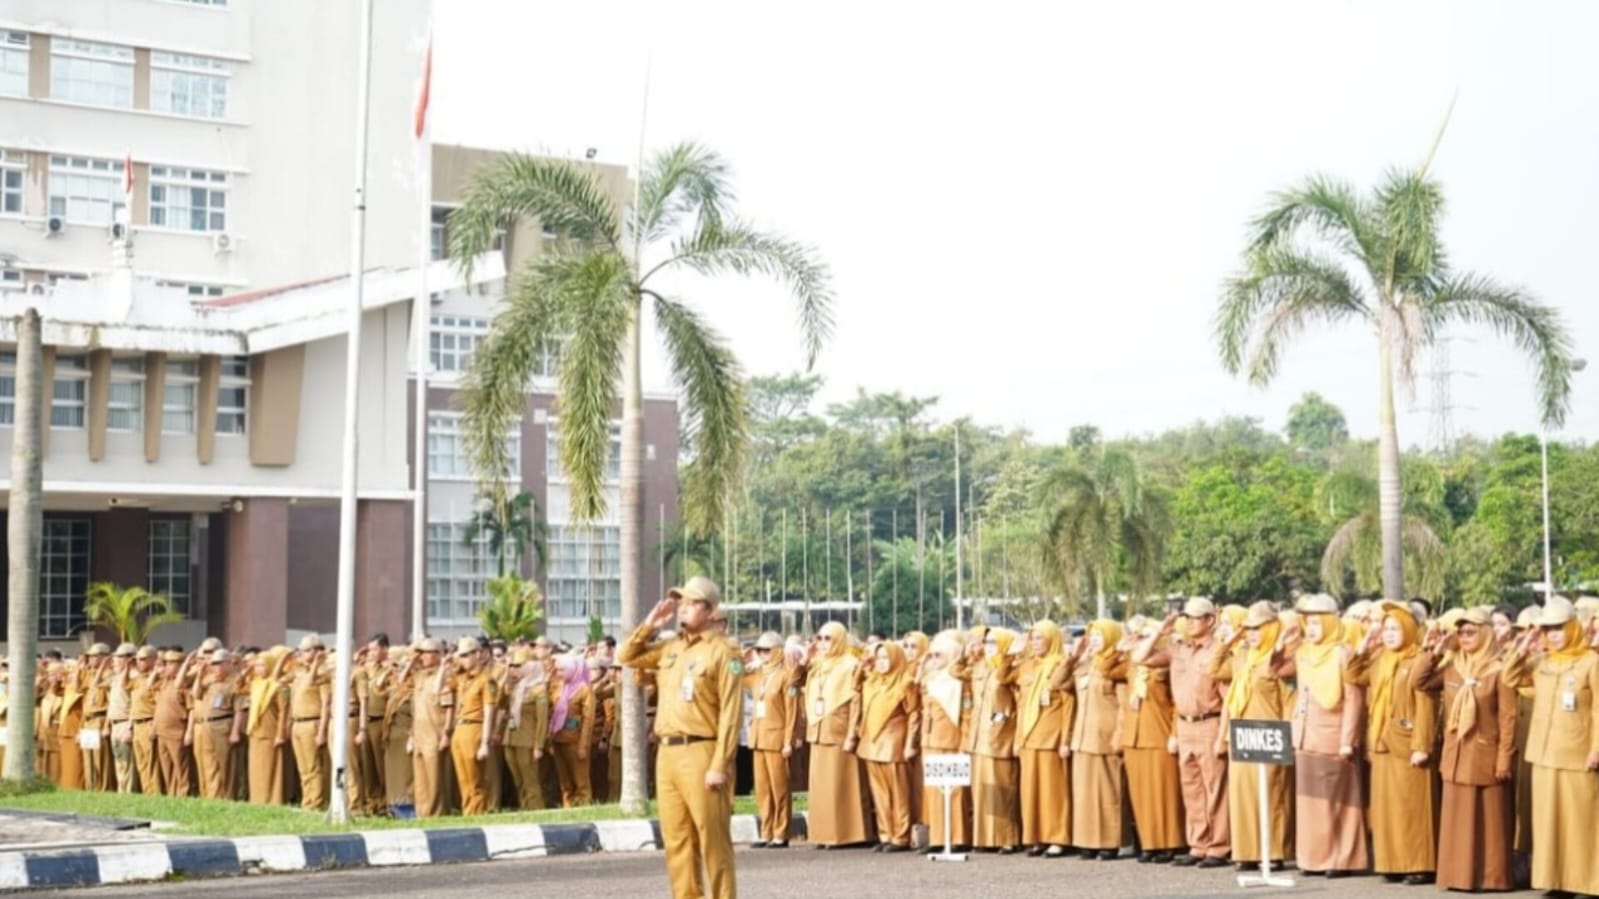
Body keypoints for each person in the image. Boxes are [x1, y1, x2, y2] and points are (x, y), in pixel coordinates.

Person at [617, 576, 743, 899]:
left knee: (712, 842)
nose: (682, 608)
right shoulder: (670, 647)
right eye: (680, 602)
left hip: (702, 750)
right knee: (677, 841)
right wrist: (649, 625)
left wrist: (720, 764)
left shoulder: (724, 652)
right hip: (668, 753)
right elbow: (626, 656)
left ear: (711, 611)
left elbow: (731, 713)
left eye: (691, 603)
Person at [1411, 606, 1517, 892]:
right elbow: (1418, 682)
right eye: (1461, 632)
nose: (1465, 637)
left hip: (1486, 756)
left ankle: (1491, 878)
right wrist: (1433, 651)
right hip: (1457, 755)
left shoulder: (1499, 669)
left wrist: (1504, 759)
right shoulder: (1453, 666)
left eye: (1471, 632)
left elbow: (1508, 719)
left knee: (1489, 822)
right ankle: (1458, 877)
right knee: (1458, 818)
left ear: (1484, 634)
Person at [1501, 596, 1599, 897]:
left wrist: (1597, 748)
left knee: (1580, 821)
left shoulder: (1590, 662)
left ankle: (1585, 881)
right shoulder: (1541, 662)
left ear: (1571, 627)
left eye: (1557, 628)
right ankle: (1555, 880)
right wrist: (1524, 643)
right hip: (1543, 753)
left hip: (1576, 753)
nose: (1552, 634)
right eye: (1547, 629)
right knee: (1548, 822)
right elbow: (1510, 677)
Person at [1276, 593, 1368, 878]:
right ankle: (1313, 858)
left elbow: (1354, 700)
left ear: (1329, 623)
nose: (1311, 628)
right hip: (1305, 735)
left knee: (1338, 802)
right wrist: (1281, 645)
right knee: (1310, 803)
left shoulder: (1342, 653)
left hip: (1332, 736)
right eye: (1307, 622)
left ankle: (1340, 860)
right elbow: (1278, 670)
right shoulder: (1303, 652)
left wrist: (1346, 740)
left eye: (1316, 622)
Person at [1347, 601, 1438, 884]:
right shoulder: (1380, 660)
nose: (1388, 634)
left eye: (1394, 628)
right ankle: (1392, 862)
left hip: (1407, 744)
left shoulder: (1417, 660)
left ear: (1409, 629)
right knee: (1388, 809)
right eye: (1385, 629)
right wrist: (1363, 647)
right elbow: (1352, 675)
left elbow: (1425, 706)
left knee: (1412, 807)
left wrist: (1422, 745)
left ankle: (1418, 863)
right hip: (1382, 742)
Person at [1135, 599, 1231, 868]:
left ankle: (1219, 846)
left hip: (1209, 722)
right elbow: (1139, 657)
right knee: (1192, 790)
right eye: (1186, 617)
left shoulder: (1219, 651)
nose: (1189, 622)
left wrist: (1223, 736)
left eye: (1195, 617)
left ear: (1210, 620)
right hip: (1185, 725)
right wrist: (1160, 631)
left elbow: (1228, 700)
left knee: (1215, 788)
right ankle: (1198, 844)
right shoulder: (1178, 650)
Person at [1214, 601, 1293, 869]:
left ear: (1271, 628)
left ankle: (1273, 853)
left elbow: (1287, 700)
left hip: (1269, 733)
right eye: (1247, 629)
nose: (1251, 634)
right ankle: (1246, 853)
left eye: (1257, 628)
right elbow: (1212, 668)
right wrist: (1230, 640)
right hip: (1242, 733)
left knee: (1270, 795)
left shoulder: (1279, 657)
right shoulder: (1242, 657)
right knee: (1243, 796)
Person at [803, 620, 873, 849]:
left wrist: (852, 733)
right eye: (820, 638)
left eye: (828, 639)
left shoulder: (850, 664)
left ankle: (848, 833)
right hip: (818, 731)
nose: (822, 644)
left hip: (839, 732)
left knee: (843, 785)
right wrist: (805, 659)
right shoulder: (817, 665)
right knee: (820, 787)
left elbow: (856, 702)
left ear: (841, 640)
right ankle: (823, 834)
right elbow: (797, 685)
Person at [1121, 617, 1185, 864]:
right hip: (1134, 736)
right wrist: (1128, 641)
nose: (1140, 639)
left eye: (1144, 635)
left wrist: (1174, 733)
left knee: (1163, 793)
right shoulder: (1133, 666)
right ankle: (1148, 843)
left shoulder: (1168, 664)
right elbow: (1108, 665)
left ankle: (1168, 842)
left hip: (1159, 734)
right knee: (1141, 794)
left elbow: (1177, 702)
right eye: (1138, 636)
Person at [1015, 620, 1074, 858]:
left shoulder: (1060, 665)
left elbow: (1068, 706)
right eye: (1033, 638)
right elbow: (1020, 705)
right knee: (1030, 792)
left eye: (1040, 638)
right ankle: (1035, 836)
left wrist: (1065, 739)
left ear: (1052, 639)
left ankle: (1057, 838)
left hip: (1052, 738)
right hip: (1029, 737)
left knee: (1053, 792)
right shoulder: (1027, 666)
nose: (1035, 643)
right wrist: (1019, 737)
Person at [1070, 619, 1127, 860]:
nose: (1093, 641)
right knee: (1084, 795)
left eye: (1098, 637)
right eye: (1091, 636)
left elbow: (1123, 706)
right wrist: (1074, 656)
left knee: (1107, 794)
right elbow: (1058, 682)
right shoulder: (1085, 664)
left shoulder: (1118, 664)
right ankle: (1087, 841)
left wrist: (1119, 736)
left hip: (1105, 737)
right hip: (1082, 738)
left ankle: (1109, 842)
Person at [857, 640, 919, 852]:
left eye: (886, 658)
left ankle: (901, 836)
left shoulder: (906, 682)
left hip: (894, 744)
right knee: (880, 795)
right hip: (872, 744)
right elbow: (854, 686)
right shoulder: (873, 681)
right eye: (879, 658)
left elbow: (914, 714)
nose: (882, 663)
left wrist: (910, 743)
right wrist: (862, 664)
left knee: (899, 794)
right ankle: (885, 834)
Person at [744, 632, 801, 848]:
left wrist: (788, 741)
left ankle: (781, 831)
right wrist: (742, 658)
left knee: (780, 788)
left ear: (777, 652)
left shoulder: (787, 675)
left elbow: (792, 711)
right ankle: (765, 831)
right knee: (762, 789)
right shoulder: (758, 674)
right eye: (760, 650)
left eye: (766, 650)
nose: (762, 654)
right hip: (758, 738)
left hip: (777, 738)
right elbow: (735, 675)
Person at [919, 630, 971, 852]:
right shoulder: (930, 678)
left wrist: (965, 744)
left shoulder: (959, 681)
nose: (934, 659)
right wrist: (922, 666)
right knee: (934, 791)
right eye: (932, 655)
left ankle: (957, 837)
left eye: (939, 655)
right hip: (930, 739)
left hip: (951, 739)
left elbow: (966, 715)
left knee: (954, 791)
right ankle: (938, 837)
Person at [447, 637, 498, 815]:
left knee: (475, 779)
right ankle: (468, 811)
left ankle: (476, 813)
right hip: (459, 728)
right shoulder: (462, 679)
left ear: (477, 654)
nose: (463, 659)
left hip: (474, 728)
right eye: (461, 655)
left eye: (466, 655)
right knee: (463, 778)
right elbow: (442, 685)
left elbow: (489, 711)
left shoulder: (487, 680)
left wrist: (484, 742)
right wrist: (449, 662)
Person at [190, 649, 245, 799]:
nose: (214, 667)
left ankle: (229, 796)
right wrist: (200, 675)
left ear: (228, 663)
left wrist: (235, 732)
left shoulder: (236, 681)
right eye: (212, 664)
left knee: (226, 765)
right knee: (210, 763)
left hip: (224, 724)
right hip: (208, 725)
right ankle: (213, 795)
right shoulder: (210, 680)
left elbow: (240, 708)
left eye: (218, 664)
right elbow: (196, 695)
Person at [285, 635, 331, 810]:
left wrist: (322, 732)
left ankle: (317, 802)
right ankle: (307, 801)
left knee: (313, 767)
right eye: (301, 650)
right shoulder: (300, 672)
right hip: (298, 723)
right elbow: (279, 679)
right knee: (303, 768)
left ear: (317, 651)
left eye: (306, 650)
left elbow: (326, 704)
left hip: (313, 723)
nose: (302, 654)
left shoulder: (323, 673)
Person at [502, 649, 550, 810]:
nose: (515, 669)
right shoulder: (517, 687)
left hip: (528, 741)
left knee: (530, 780)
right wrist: (507, 673)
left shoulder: (539, 690)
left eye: (519, 665)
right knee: (518, 779)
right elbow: (500, 698)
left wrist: (539, 745)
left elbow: (542, 720)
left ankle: (536, 810)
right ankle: (525, 809)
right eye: (513, 665)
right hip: (511, 738)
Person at [409, 638, 450, 817]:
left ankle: (436, 812)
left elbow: (449, 708)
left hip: (435, 733)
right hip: (419, 733)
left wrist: (446, 733)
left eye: (427, 653)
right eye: (422, 653)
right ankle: (422, 812)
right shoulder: (420, 677)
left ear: (437, 655)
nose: (423, 657)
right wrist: (412, 659)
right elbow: (401, 679)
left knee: (435, 778)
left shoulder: (445, 677)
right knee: (420, 779)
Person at [548, 654, 595, 807]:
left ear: (572, 670)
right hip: (558, 739)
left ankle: (582, 808)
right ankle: (568, 807)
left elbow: (588, 720)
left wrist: (583, 745)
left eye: (562, 670)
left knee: (580, 780)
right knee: (565, 781)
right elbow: (551, 713)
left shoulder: (584, 690)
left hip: (575, 741)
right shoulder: (558, 687)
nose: (559, 673)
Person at [244, 647, 289, 805]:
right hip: (255, 731)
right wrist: (248, 668)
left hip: (270, 733)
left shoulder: (279, 686)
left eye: (262, 665)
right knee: (256, 770)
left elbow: (284, 712)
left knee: (270, 769)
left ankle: (272, 800)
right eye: (257, 665)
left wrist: (280, 734)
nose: (259, 669)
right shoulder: (256, 684)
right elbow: (238, 685)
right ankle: (257, 799)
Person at [154, 649, 195, 797]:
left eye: (172, 663)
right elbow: (149, 684)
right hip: (161, 731)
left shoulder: (185, 685)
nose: (167, 666)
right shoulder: (165, 683)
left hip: (177, 731)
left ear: (180, 665)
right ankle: (172, 793)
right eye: (166, 663)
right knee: (167, 765)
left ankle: (183, 793)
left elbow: (191, 710)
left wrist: (189, 732)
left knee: (180, 766)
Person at [128, 647, 161, 795]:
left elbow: (159, 706)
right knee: (141, 763)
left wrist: (154, 727)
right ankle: (147, 792)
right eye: (137, 660)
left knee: (151, 763)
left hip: (148, 722)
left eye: (142, 659)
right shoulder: (138, 679)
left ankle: (155, 793)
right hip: (137, 724)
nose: (138, 663)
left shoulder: (158, 679)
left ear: (153, 659)